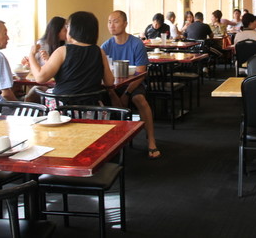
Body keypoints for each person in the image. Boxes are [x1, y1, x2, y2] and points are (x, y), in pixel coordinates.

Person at [102, 11, 161, 160]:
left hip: (134, 84)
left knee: (139, 100)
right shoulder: (105, 46)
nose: (112, 25)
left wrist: (126, 94)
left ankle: (151, 140)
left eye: (116, 21)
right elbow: (102, 74)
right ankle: (107, 144)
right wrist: (113, 93)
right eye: (109, 22)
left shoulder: (136, 43)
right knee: (99, 102)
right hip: (112, 86)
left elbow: (141, 73)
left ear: (125, 24)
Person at [27, 11, 114, 105]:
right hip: (92, 109)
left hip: (64, 109)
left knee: (35, 94)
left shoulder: (63, 51)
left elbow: (40, 77)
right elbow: (109, 82)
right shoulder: (99, 51)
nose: (66, 29)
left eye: (68, 26)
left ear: (75, 29)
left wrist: (31, 55)